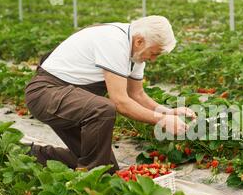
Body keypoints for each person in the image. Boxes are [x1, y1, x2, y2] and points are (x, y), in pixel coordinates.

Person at [25, 15, 195, 174]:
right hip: (46, 93)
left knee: (107, 167)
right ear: (139, 41)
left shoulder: (135, 53)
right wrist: (161, 121)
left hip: (74, 99)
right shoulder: (114, 42)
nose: (153, 59)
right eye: (154, 53)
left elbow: (137, 94)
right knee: (103, 109)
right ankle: (88, 180)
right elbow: (120, 102)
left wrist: (167, 112)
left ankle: (32, 155)